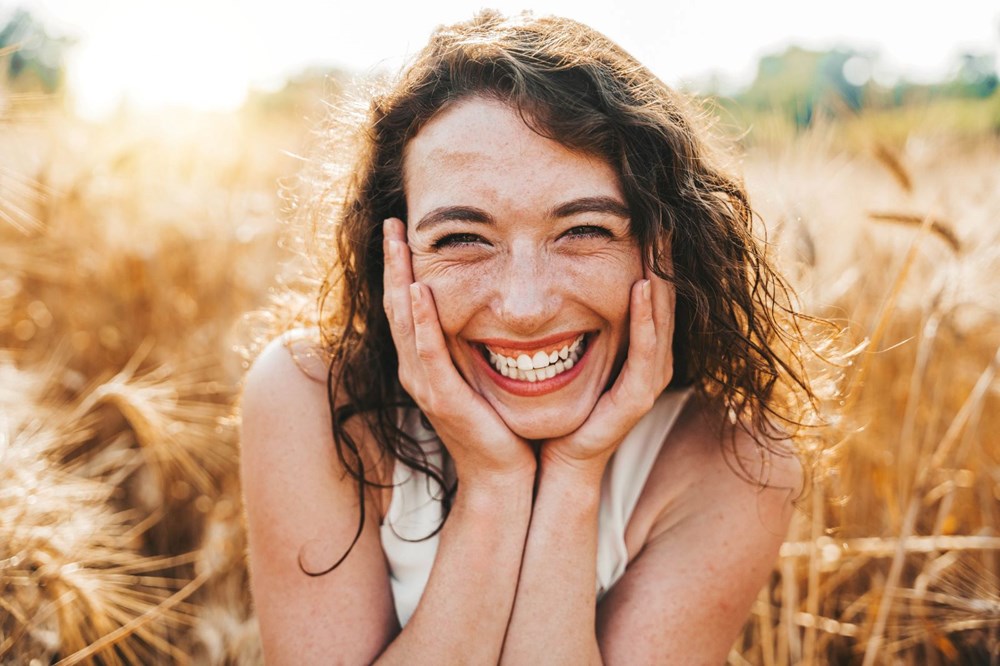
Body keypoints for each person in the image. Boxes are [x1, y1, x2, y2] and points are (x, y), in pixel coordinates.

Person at [240, 10, 822, 664]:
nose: (524, 307)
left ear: (664, 248)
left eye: (585, 231)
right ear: (393, 258)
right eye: (462, 238)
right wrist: (494, 486)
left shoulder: (733, 461)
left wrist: (574, 478)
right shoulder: (309, 401)